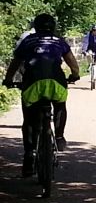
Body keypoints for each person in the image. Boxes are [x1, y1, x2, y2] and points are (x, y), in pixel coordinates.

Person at [2, 13, 80, 176]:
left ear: (35, 27)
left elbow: (15, 63)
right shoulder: (59, 41)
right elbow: (72, 63)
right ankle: (59, 136)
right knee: (60, 106)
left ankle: (29, 155)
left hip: (32, 83)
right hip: (56, 82)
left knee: (29, 119)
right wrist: (74, 75)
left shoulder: (27, 41)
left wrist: (8, 80)